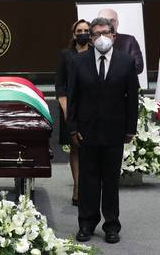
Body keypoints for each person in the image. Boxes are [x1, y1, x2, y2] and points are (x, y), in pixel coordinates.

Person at [68, 17, 139, 244]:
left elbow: (132, 99)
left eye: (105, 33)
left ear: (113, 35)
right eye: (96, 34)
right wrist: (73, 128)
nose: (100, 38)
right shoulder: (79, 62)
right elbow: (73, 98)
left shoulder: (126, 62)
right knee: (88, 181)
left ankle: (111, 226)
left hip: (115, 132)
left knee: (110, 181)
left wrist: (130, 129)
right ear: (90, 37)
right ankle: (86, 224)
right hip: (86, 132)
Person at [55, 19, 91, 207]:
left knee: (90, 148)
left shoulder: (95, 53)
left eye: (86, 30)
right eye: (79, 30)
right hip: (69, 107)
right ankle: (77, 187)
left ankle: (89, 186)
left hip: (92, 109)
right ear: (74, 34)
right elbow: (60, 85)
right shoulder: (66, 55)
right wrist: (67, 110)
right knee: (76, 147)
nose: (82, 33)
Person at [98, 8, 144, 74]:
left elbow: (138, 66)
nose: (108, 23)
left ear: (117, 23)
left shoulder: (129, 41)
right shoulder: (92, 42)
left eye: (112, 20)